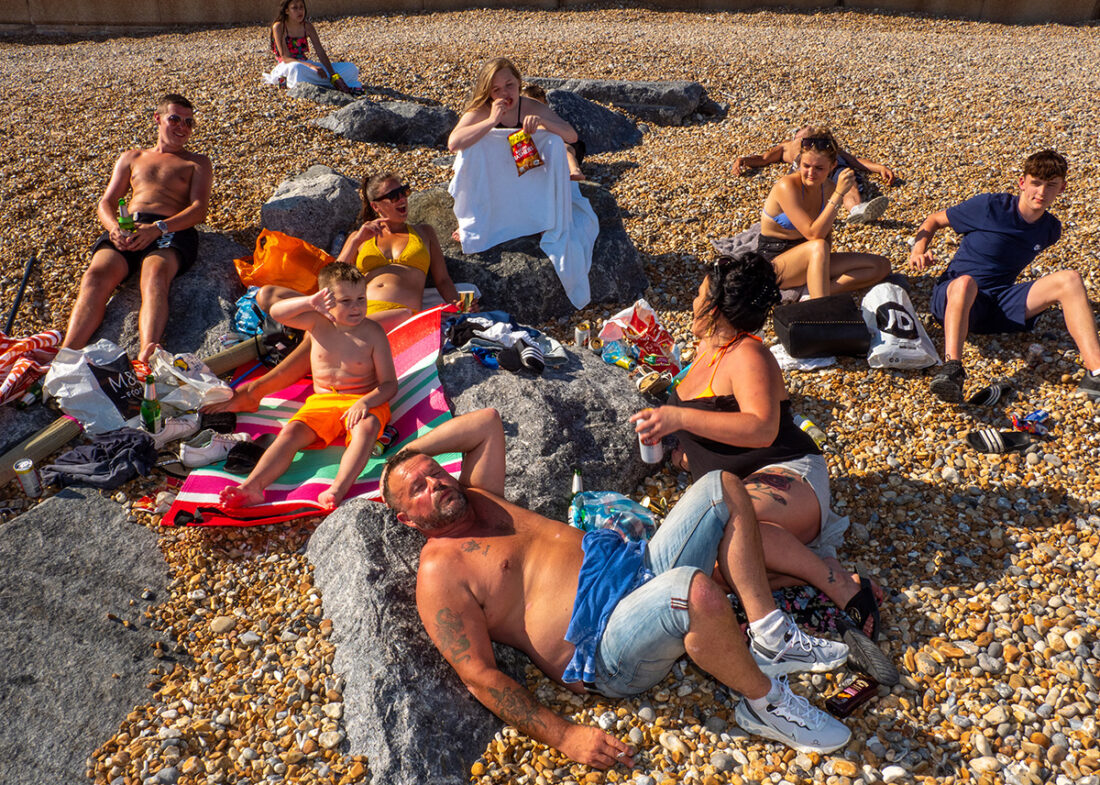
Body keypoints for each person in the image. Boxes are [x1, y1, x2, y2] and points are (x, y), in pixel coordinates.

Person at [380, 408, 853, 769]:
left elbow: (486, 421)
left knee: (721, 485)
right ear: (406, 520)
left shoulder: (481, 496)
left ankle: (769, 634)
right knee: (691, 591)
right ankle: (764, 703)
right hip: (605, 649)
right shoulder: (440, 571)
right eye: (416, 490)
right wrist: (564, 736)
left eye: (434, 473)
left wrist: (404, 456)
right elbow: (479, 675)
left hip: (637, 570)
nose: (434, 485)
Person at [629, 254, 882, 640]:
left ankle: (837, 585)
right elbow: (715, 429)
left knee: (727, 535)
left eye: (699, 295)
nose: (693, 302)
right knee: (707, 569)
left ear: (715, 307)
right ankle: (801, 570)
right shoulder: (705, 351)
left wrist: (679, 418)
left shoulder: (747, 354)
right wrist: (680, 454)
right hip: (736, 489)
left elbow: (761, 428)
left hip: (787, 473)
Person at [910, 150, 1100, 402]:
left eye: (1051, 186)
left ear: (1062, 188)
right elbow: (933, 220)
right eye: (1035, 183)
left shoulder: (1050, 230)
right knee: (966, 282)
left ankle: (1096, 372)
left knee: (1071, 279)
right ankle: (952, 368)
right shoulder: (990, 206)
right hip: (954, 299)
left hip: (997, 303)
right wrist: (918, 250)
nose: (1041, 193)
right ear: (1022, 183)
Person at [220, 263, 396, 510]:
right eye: (345, 301)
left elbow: (389, 385)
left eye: (361, 298)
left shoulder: (373, 332)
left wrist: (365, 402)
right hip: (322, 402)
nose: (356, 307)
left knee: (365, 430)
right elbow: (276, 312)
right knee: (289, 434)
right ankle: (252, 487)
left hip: (361, 398)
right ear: (326, 300)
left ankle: (337, 489)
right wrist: (308, 302)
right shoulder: (317, 323)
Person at [61, 93, 213, 365]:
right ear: (157, 119)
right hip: (128, 226)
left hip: (169, 229)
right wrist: (113, 228)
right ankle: (67, 353)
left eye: (189, 123)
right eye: (175, 119)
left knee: (154, 275)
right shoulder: (132, 157)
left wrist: (158, 228)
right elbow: (106, 201)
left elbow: (199, 209)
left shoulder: (197, 162)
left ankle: (146, 353)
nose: (182, 127)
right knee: (96, 276)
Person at [255, 172, 462, 333]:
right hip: (353, 311)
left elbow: (442, 280)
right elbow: (330, 282)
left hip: (396, 315)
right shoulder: (360, 236)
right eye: (393, 196)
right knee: (266, 294)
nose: (402, 199)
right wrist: (355, 241)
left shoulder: (424, 232)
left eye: (404, 191)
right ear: (376, 206)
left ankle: (315, 334)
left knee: (326, 332)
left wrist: (460, 309)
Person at [756, 128, 891, 299]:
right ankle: (820, 309)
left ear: (832, 166)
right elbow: (814, 234)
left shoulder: (828, 188)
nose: (811, 173)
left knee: (880, 266)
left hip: (812, 256)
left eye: (819, 168)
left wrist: (823, 266)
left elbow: (826, 232)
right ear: (799, 162)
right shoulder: (787, 186)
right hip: (774, 263)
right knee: (818, 246)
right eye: (806, 166)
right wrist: (839, 195)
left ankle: (812, 296)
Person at [734, 126, 896, 224]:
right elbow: (763, 159)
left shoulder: (826, 147)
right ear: (798, 136)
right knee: (803, 185)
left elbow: (854, 160)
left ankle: (857, 209)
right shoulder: (788, 146)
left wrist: (878, 167)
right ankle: (804, 215)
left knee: (847, 180)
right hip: (805, 169)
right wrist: (744, 160)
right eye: (806, 135)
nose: (810, 130)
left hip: (831, 167)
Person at [447, 57, 578, 155]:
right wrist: (491, 121)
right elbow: (454, 144)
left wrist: (543, 121)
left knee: (554, 141)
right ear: (488, 92)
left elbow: (571, 136)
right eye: (496, 89)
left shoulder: (530, 107)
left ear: (518, 83)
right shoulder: (483, 110)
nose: (504, 93)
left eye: (509, 85)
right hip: (492, 173)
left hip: (529, 172)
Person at [264, 0, 361, 94]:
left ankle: (324, 82)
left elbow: (320, 51)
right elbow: (285, 58)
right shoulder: (279, 27)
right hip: (289, 66)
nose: (299, 11)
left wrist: (333, 75)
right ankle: (316, 83)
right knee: (296, 68)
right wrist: (311, 66)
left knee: (351, 68)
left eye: (301, 7)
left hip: (306, 64)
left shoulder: (307, 26)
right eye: (295, 8)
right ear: (287, 11)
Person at [520, 83, 585, 181]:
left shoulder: (548, 119)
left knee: (565, 148)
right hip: (539, 151)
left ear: (545, 106)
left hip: (559, 145)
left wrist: (544, 123)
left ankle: (575, 170)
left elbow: (567, 135)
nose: (535, 110)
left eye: (539, 106)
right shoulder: (521, 121)